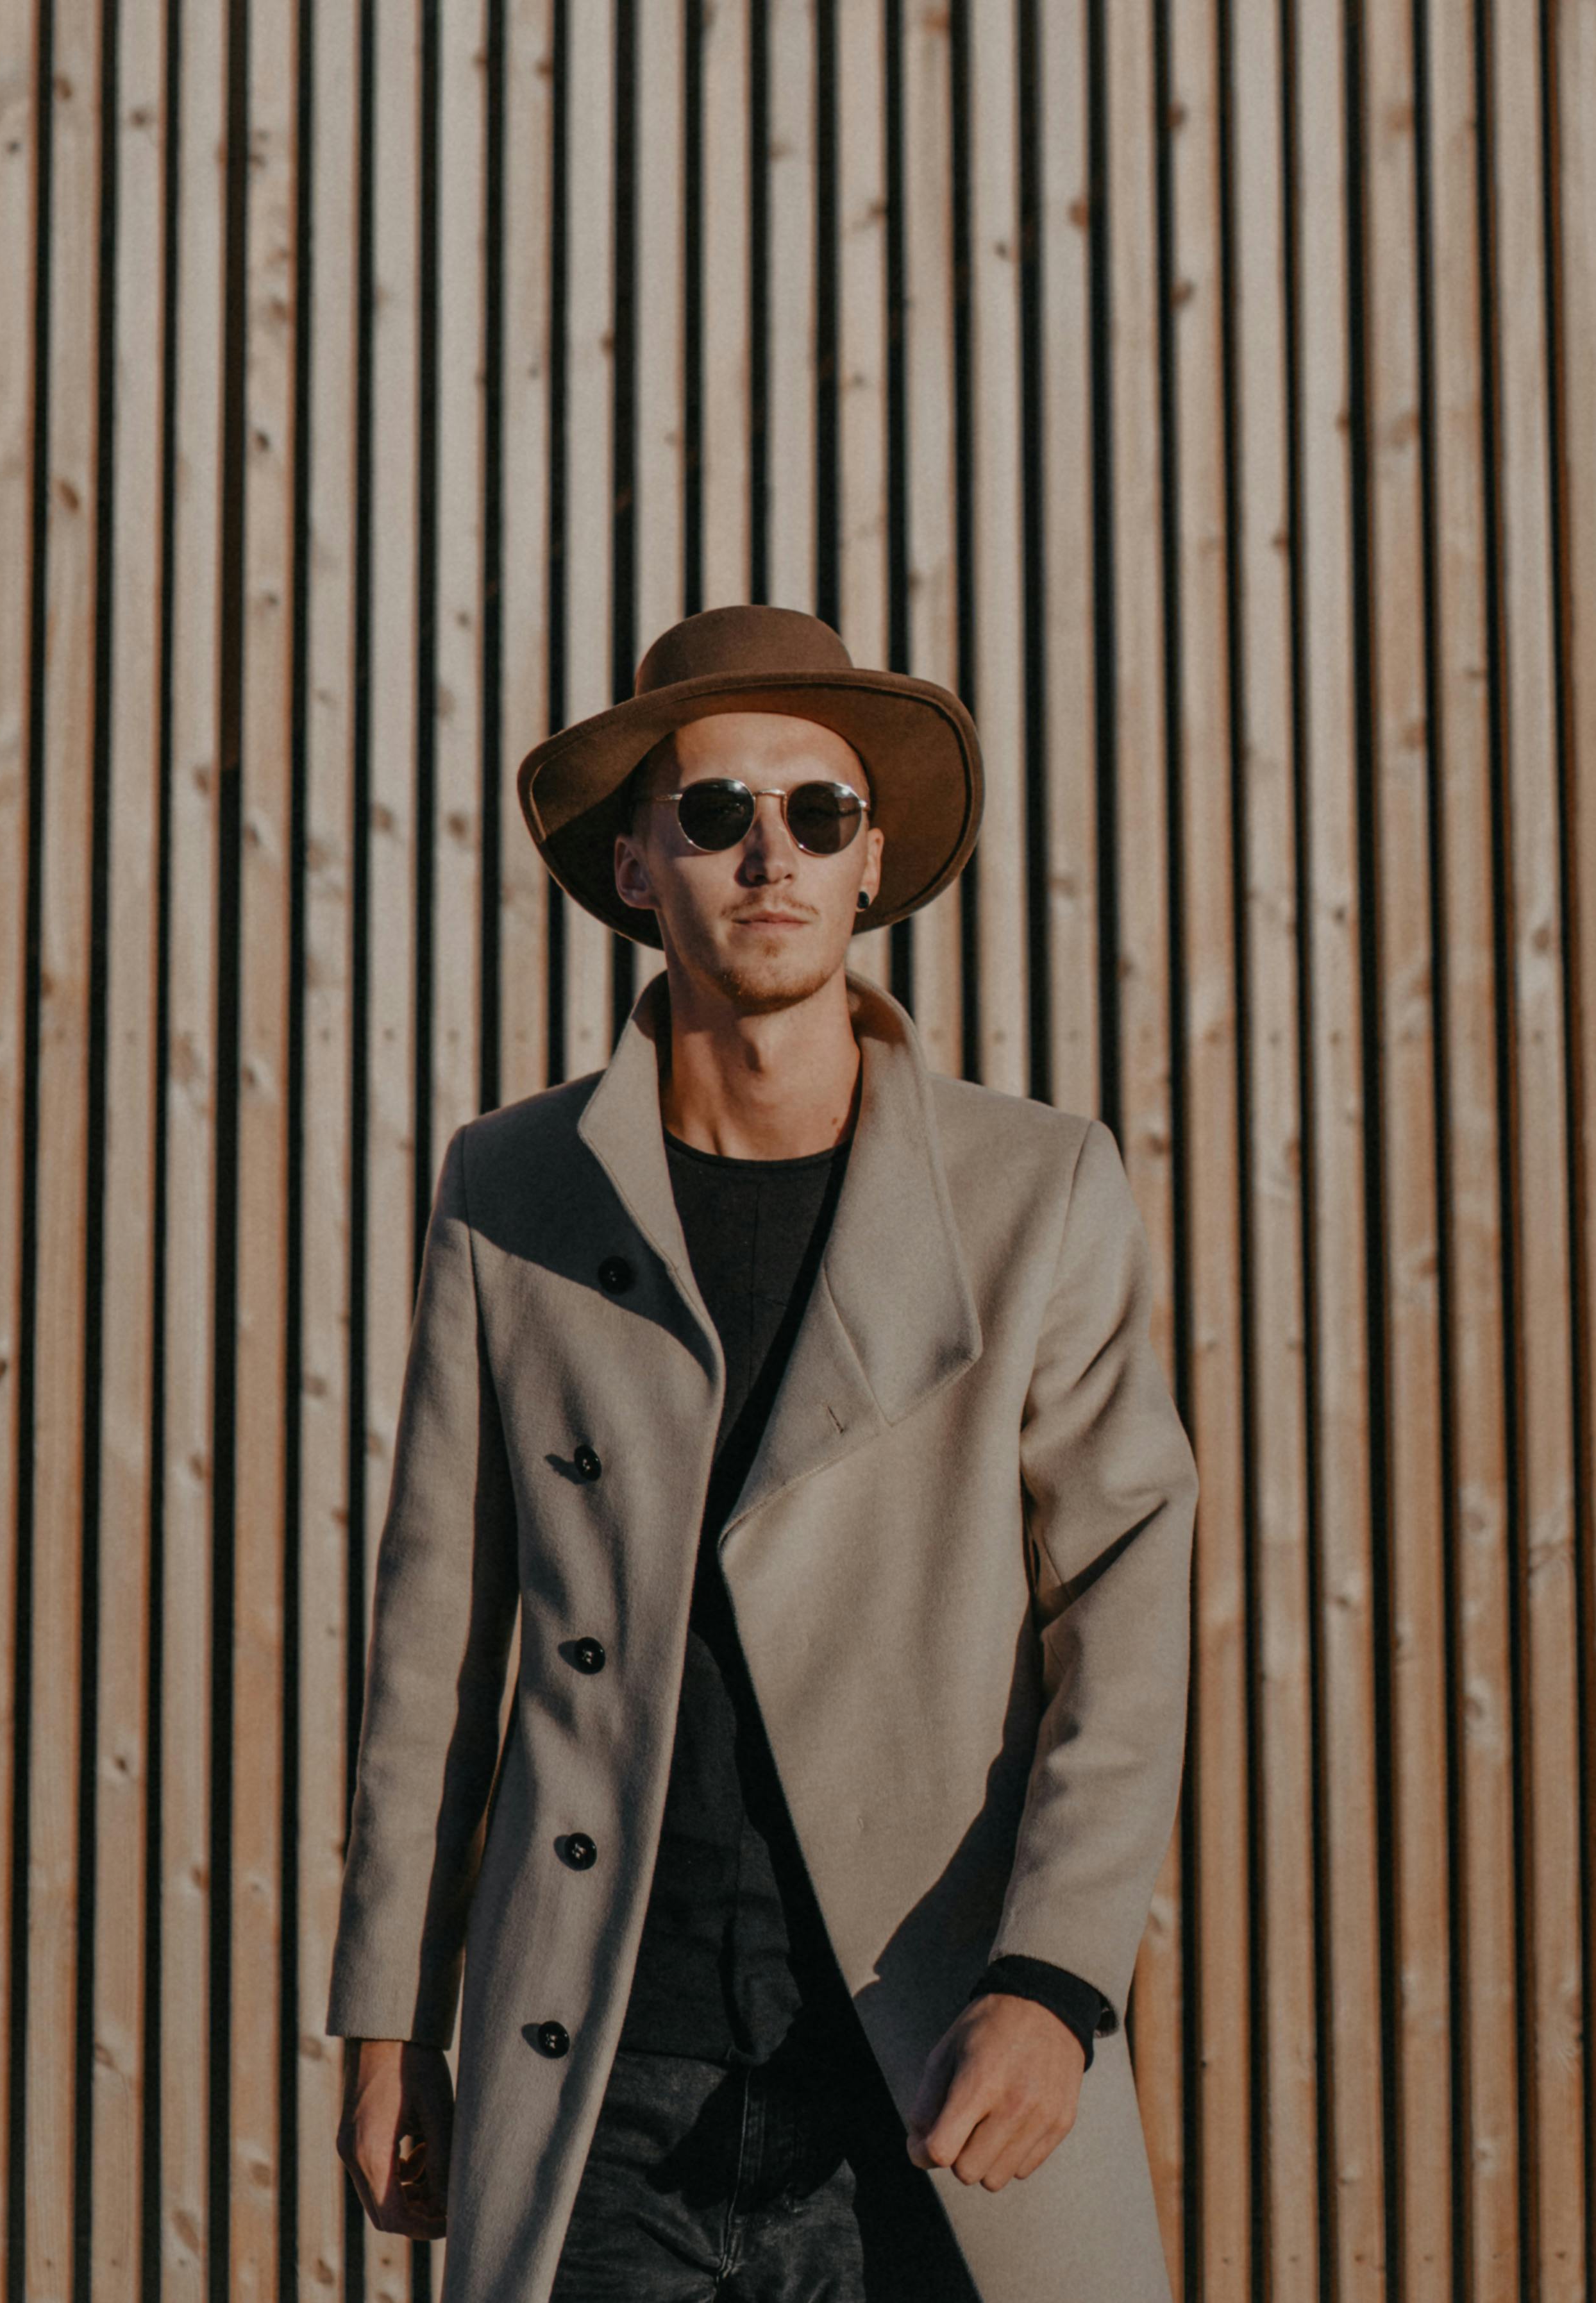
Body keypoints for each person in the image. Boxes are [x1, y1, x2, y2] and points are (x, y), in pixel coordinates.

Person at [328, 605, 1199, 2302]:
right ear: (640, 867)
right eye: (715, 812)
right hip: (595, 2071)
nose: (770, 853)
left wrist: (1056, 1982)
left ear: (874, 864)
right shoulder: (509, 1193)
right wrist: (388, 2021)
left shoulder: (1040, 1193)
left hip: (919, 2044)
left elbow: (1126, 1608)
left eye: (819, 811)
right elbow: (434, 1642)